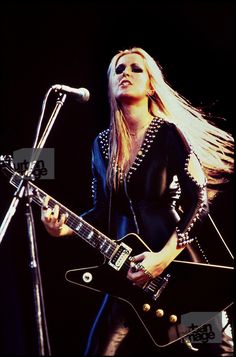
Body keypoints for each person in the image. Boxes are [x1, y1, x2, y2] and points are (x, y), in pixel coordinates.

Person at [41, 47, 234, 356]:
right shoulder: (102, 144)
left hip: (178, 269)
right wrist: (61, 229)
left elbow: (199, 202)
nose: (126, 73)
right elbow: (102, 210)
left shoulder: (168, 133)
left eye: (135, 68)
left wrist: (162, 258)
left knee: (219, 350)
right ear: (110, 85)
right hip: (127, 271)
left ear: (151, 84)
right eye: (118, 69)